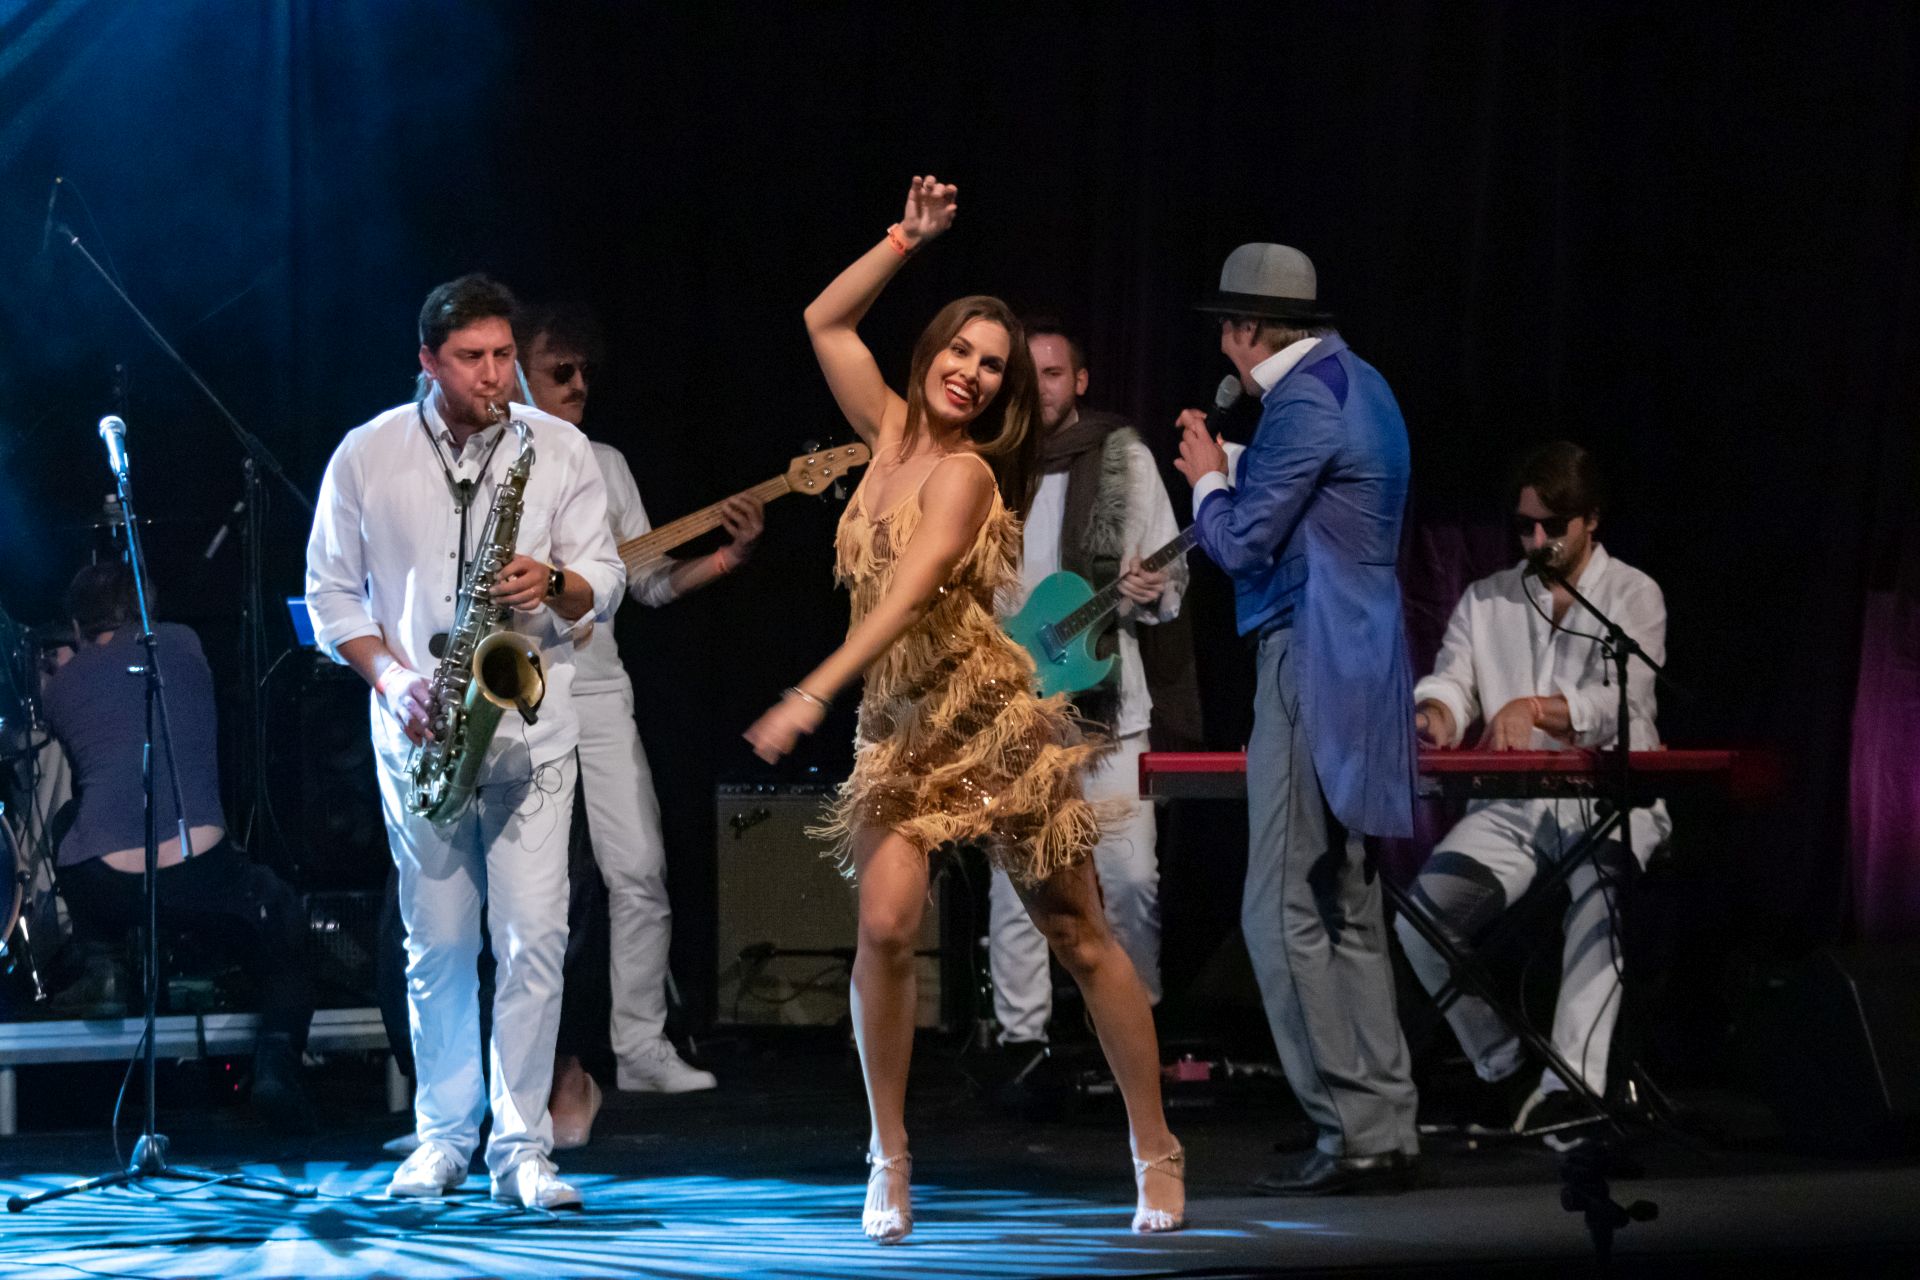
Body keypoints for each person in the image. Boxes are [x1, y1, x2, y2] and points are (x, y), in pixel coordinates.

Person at [744, 175, 1185, 1242]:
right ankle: (888, 1155)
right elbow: (824, 320)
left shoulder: (970, 477)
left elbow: (906, 596)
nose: (973, 373)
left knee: (1078, 933)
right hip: (900, 730)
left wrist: (810, 690)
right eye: (962, 351)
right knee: (885, 926)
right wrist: (905, 238)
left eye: (993, 366)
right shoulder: (887, 431)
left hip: (986, 723)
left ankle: (1156, 1147)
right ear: (931, 351)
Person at [305, 273, 624, 1209]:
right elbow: (331, 596)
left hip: (531, 729)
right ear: (427, 361)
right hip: (421, 729)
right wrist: (394, 678)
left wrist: (553, 580)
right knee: (437, 944)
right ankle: (442, 1137)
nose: (494, 376)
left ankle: (522, 1148)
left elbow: (604, 579)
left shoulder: (557, 447)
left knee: (534, 940)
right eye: (472, 358)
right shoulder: (367, 453)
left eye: (503, 356)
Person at [1173, 243, 1420, 1195]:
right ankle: (1383, 1122)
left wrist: (1207, 475)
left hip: (1309, 658)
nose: (1224, 351)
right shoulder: (1360, 383)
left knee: (1278, 908)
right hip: (1363, 661)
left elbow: (1242, 546)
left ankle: (1348, 1129)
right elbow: (1320, 504)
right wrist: (1241, 467)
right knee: (1341, 901)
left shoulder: (1301, 403)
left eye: (1227, 333)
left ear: (1247, 330)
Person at [513, 301, 762, 1145]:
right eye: (560, 371)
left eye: (586, 372)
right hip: (514, 693)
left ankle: (642, 1045)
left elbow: (648, 582)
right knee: (534, 893)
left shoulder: (606, 464)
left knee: (641, 870)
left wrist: (726, 556)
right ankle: (522, 1071)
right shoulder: (495, 462)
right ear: (518, 373)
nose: (579, 384)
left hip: (598, 690)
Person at [1400, 441, 1669, 1148]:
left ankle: (1569, 1090)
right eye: (1525, 526)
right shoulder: (1486, 598)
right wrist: (1436, 714)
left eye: (1554, 525)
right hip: (1513, 807)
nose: (1538, 539)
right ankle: (1505, 1066)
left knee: (1602, 892)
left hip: (1610, 800)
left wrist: (1536, 709)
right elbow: (1452, 683)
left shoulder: (1633, 594)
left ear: (1592, 520)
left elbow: (1625, 699)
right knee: (1422, 917)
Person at [43, 561, 314, 1129]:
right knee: (282, 914)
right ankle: (276, 1062)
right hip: (200, 873)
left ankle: (102, 957)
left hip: (109, 885)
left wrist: (68, 667)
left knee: (67, 821)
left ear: (78, 625)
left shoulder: (60, 687)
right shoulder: (185, 642)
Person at [986, 317, 1184, 1078]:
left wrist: (1152, 587)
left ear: (1081, 381)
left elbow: (1169, 573)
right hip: (1018, 704)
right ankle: (1021, 1043)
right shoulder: (991, 462)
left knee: (1131, 880)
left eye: (1054, 374)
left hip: (1108, 706)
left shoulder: (1123, 457)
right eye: (1028, 375)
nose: (1041, 389)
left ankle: (1140, 1025)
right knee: (1018, 885)